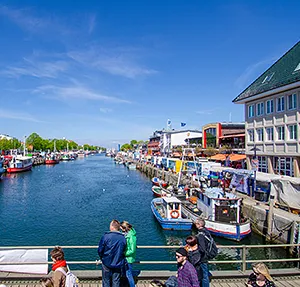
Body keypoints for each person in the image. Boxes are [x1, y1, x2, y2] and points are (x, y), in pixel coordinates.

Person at [98, 220, 126, 287]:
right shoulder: (123, 238)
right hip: (118, 262)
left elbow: (100, 250)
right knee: (116, 281)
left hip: (106, 262)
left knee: (106, 281)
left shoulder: (106, 237)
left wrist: (102, 258)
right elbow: (124, 250)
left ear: (112, 227)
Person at [194, 218, 210, 287]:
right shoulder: (206, 231)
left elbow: (202, 248)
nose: (195, 225)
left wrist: (195, 249)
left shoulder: (200, 234)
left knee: (203, 274)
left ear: (199, 224)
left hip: (202, 257)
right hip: (206, 255)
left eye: (196, 223)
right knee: (204, 273)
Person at [120, 221, 137, 287]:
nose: (120, 229)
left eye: (121, 228)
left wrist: (124, 253)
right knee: (125, 273)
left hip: (129, 258)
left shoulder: (131, 236)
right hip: (126, 258)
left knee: (128, 274)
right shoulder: (126, 234)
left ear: (124, 228)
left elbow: (132, 250)